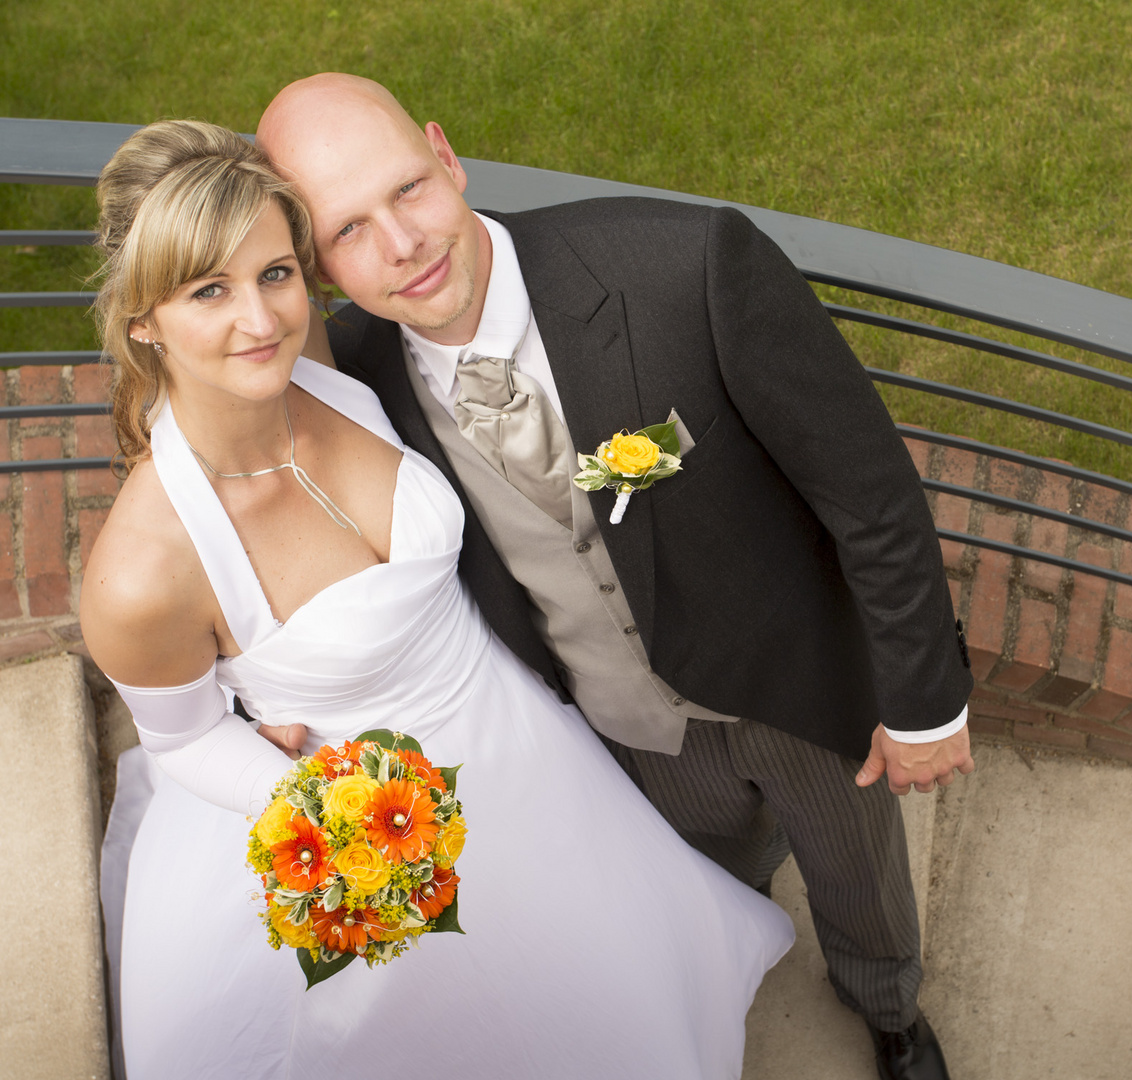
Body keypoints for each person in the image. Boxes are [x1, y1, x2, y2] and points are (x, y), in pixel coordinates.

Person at [254, 74, 975, 1080]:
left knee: (861, 881)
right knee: (697, 879)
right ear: (314, 259)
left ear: (446, 154)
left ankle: (889, 1014)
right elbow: (282, 526)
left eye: (409, 191)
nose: (402, 244)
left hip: (796, 694)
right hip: (617, 729)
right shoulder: (359, 385)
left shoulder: (689, 270)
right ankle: (725, 957)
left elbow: (870, 494)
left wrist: (925, 704)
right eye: (347, 231)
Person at [83, 119, 794, 1079]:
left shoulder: (318, 367)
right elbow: (177, 738)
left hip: (522, 736)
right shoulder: (142, 572)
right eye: (209, 291)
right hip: (371, 822)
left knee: (601, 982)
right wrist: (310, 799)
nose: (262, 321)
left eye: (277, 274)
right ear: (141, 320)